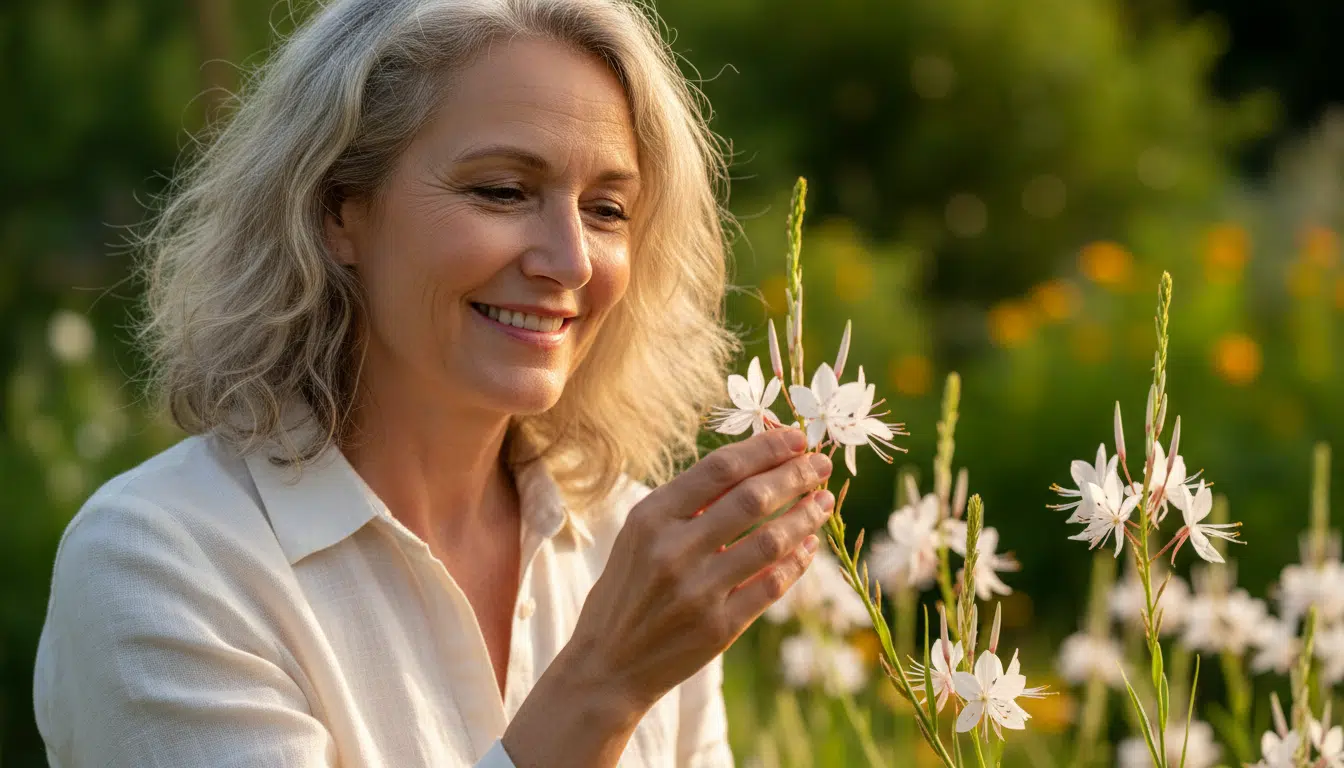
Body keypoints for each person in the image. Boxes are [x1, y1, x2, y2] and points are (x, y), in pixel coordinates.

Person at [32, 1, 837, 765]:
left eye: (607, 209)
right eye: (502, 191)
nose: (569, 261)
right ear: (338, 211)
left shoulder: (626, 545)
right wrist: (604, 684)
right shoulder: (163, 562)